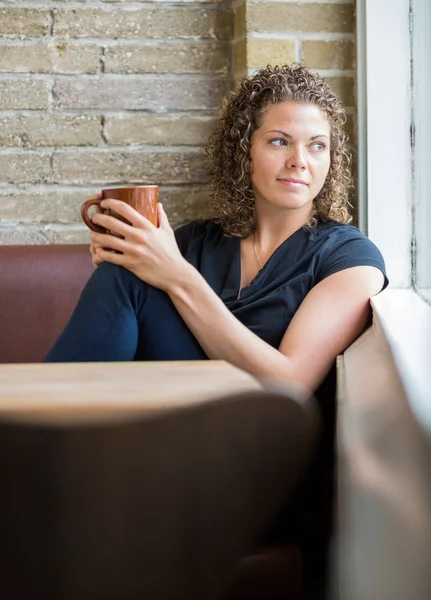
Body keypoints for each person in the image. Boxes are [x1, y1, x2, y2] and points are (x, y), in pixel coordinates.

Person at [45, 63, 388, 394]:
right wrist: (127, 254)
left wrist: (177, 276)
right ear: (245, 152)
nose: (300, 159)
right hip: (173, 411)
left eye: (317, 145)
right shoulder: (196, 241)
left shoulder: (350, 258)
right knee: (124, 274)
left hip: (261, 430)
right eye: (280, 141)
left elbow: (291, 383)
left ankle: (30, 426)